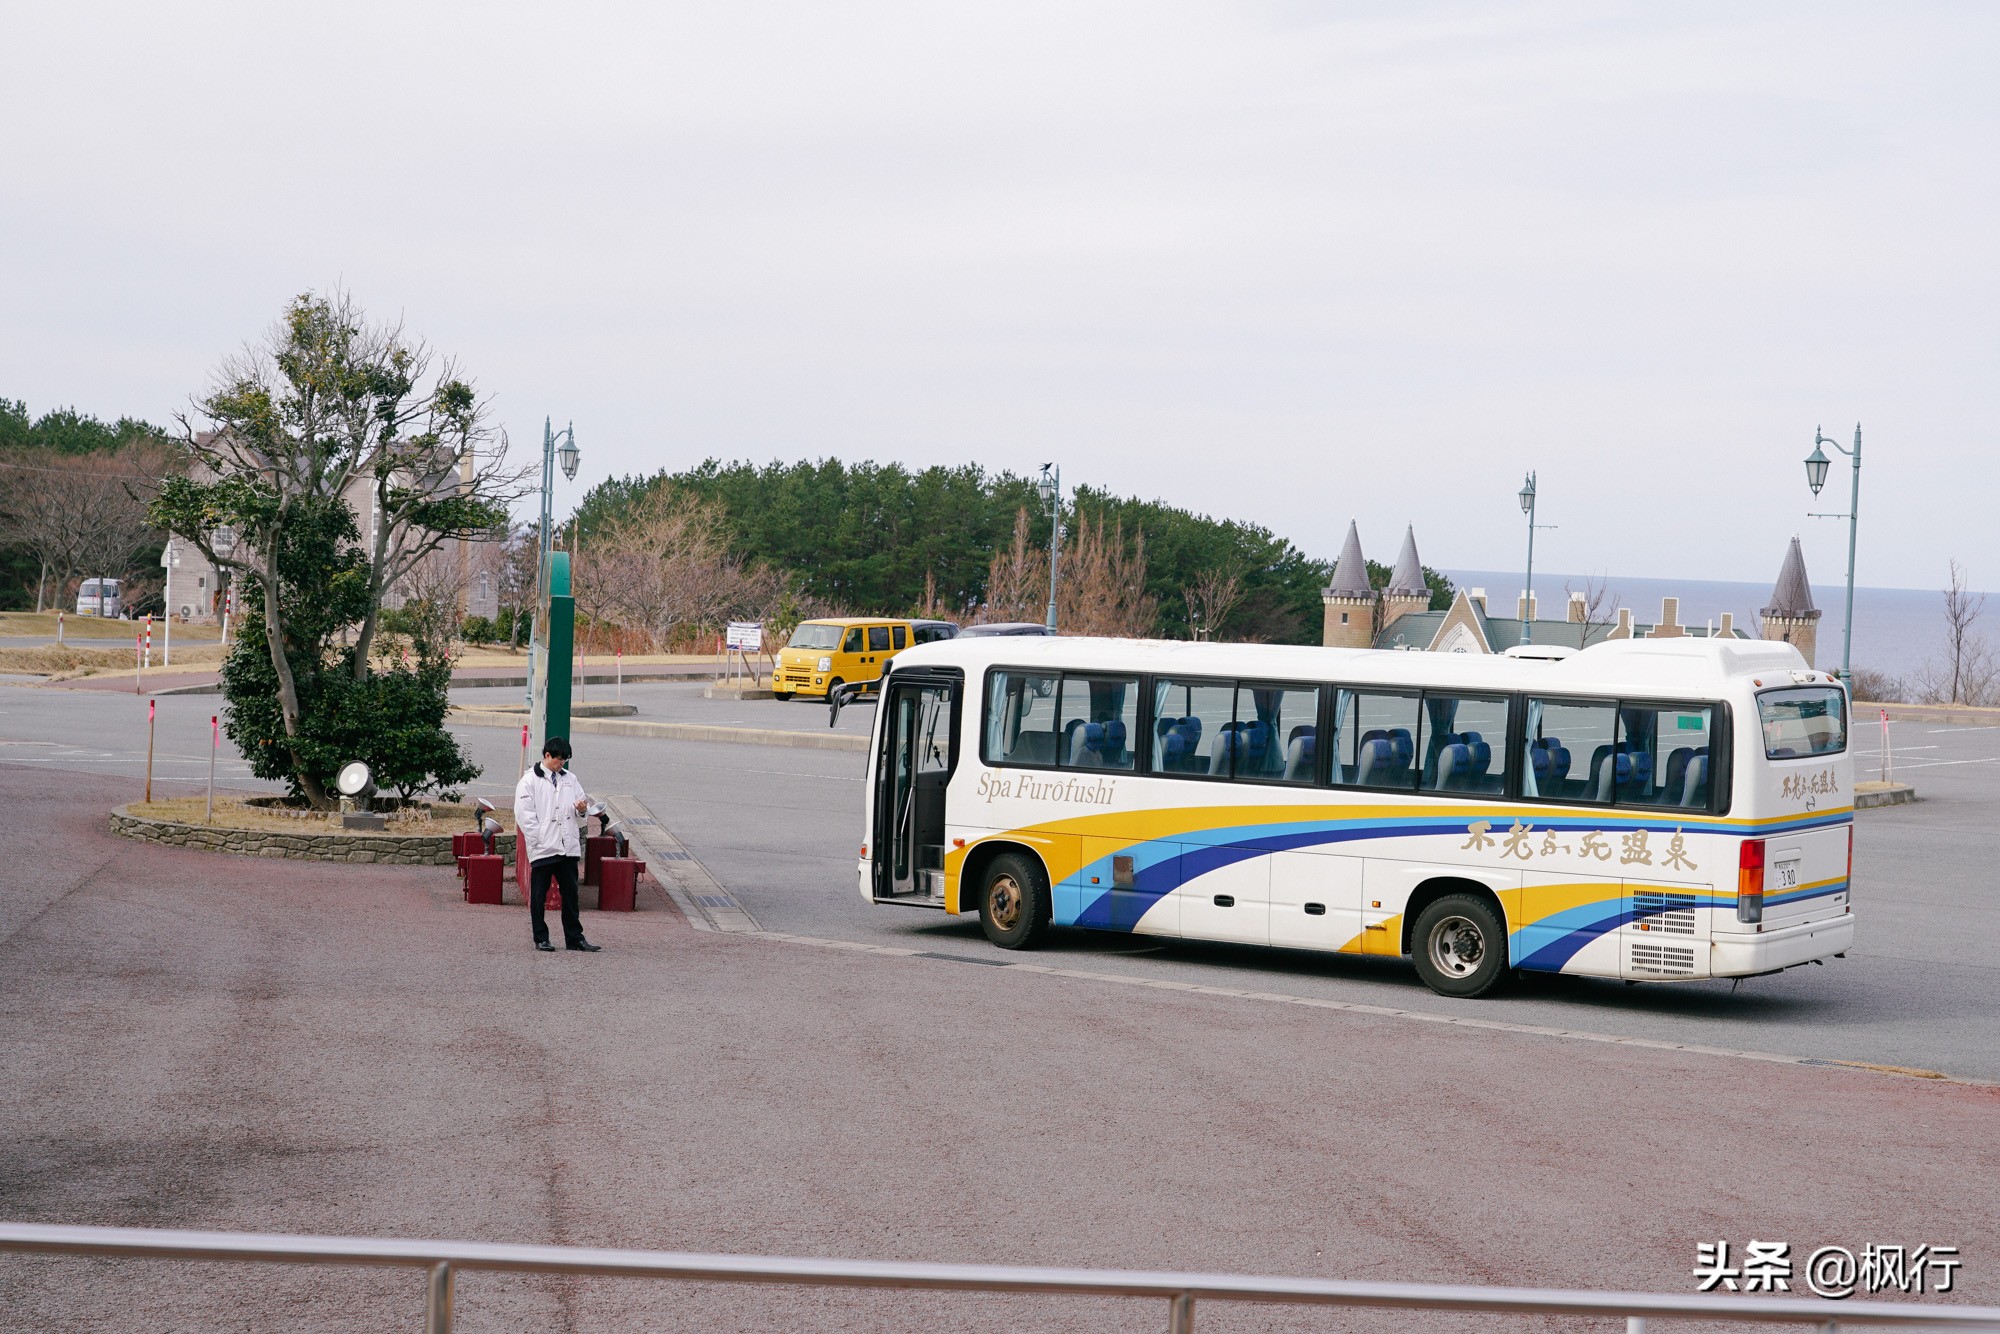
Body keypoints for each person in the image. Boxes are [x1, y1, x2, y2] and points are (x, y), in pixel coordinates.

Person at [513, 736, 601, 953]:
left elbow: (582, 814)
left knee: (571, 895)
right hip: (543, 848)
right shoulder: (529, 781)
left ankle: (574, 938)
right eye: (558, 759)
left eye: (565, 760)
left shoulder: (571, 779)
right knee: (539, 895)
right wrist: (539, 840)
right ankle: (541, 938)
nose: (561, 764)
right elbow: (524, 815)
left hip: (567, 847)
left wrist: (582, 809)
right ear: (547, 756)